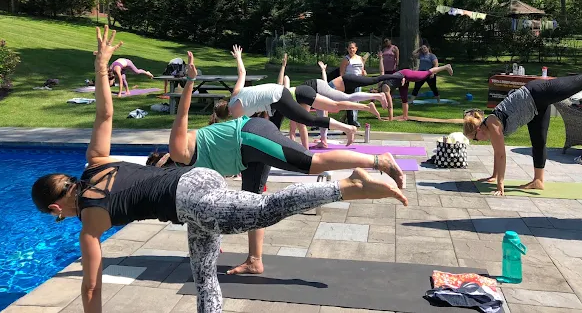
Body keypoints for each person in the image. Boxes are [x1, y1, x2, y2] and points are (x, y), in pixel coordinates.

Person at [31, 26, 409, 313]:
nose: (61, 219)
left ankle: (347, 185)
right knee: (204, 276)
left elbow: (91, 288)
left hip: (193, 197)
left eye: (56, 216)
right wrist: (101, 69)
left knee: (264, 209)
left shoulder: (90, 222)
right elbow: (105, 114)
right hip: (194, 194)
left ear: (55, 207)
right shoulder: (95, 161)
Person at [167, 51, 407, 277]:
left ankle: (379, 161)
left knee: (312, 163)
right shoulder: (194, 175)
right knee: (253, 201)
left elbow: (182, 115)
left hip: (250, 136)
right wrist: (210, 235)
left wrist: (190, 81)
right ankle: (254, 260)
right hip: (247, 154)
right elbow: (208, 205)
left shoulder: (179, 152)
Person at [463, 59, 582, 196]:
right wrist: (494, 176)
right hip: (534, 109)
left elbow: (501, 155)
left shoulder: (493, 124)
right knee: (539, 142)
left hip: (539, 92)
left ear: (478, 130)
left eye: (475, 139)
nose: (478, 141)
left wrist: (500, 186)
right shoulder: (489, 126)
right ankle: (538, 181)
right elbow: (497, 152)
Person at [218, 45, 359, 145]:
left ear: (227, 115)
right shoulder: (235, 94)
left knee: (307, 120)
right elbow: (242, 73)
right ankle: (347, 128)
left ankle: (348, 128)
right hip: (277, 93)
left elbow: (239, 137)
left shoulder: (236, 115)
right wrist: (238, 57)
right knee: (285, 124)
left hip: (277, 98)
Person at [339, 42, 369, 127]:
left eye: (353, 48)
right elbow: (342, 73)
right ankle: (351, 121)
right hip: (349, 82)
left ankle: (353, 119)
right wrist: (343, 83)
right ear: (347, 49)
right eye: (350, 48)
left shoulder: (360, 58)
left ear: (356, 49)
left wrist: (364, 73)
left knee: (357, 100)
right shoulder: (346, 59)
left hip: (358, 81)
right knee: (351, 101)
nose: (351, 50)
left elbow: (362, 70)